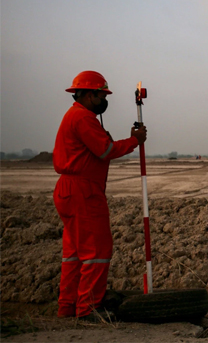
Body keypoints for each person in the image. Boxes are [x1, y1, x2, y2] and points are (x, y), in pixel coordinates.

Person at [53, 70, 147, 320]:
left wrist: (128, 139)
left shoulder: (77, 116)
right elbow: (105, 151)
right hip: (82, 191)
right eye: (100, 95)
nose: (104, 100)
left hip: (69, 190)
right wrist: (135, 140)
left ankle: (68, 307)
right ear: (86, 94)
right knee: (97, 250)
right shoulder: (83, 118)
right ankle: (88, 309)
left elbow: (100, 147)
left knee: (74, 252)